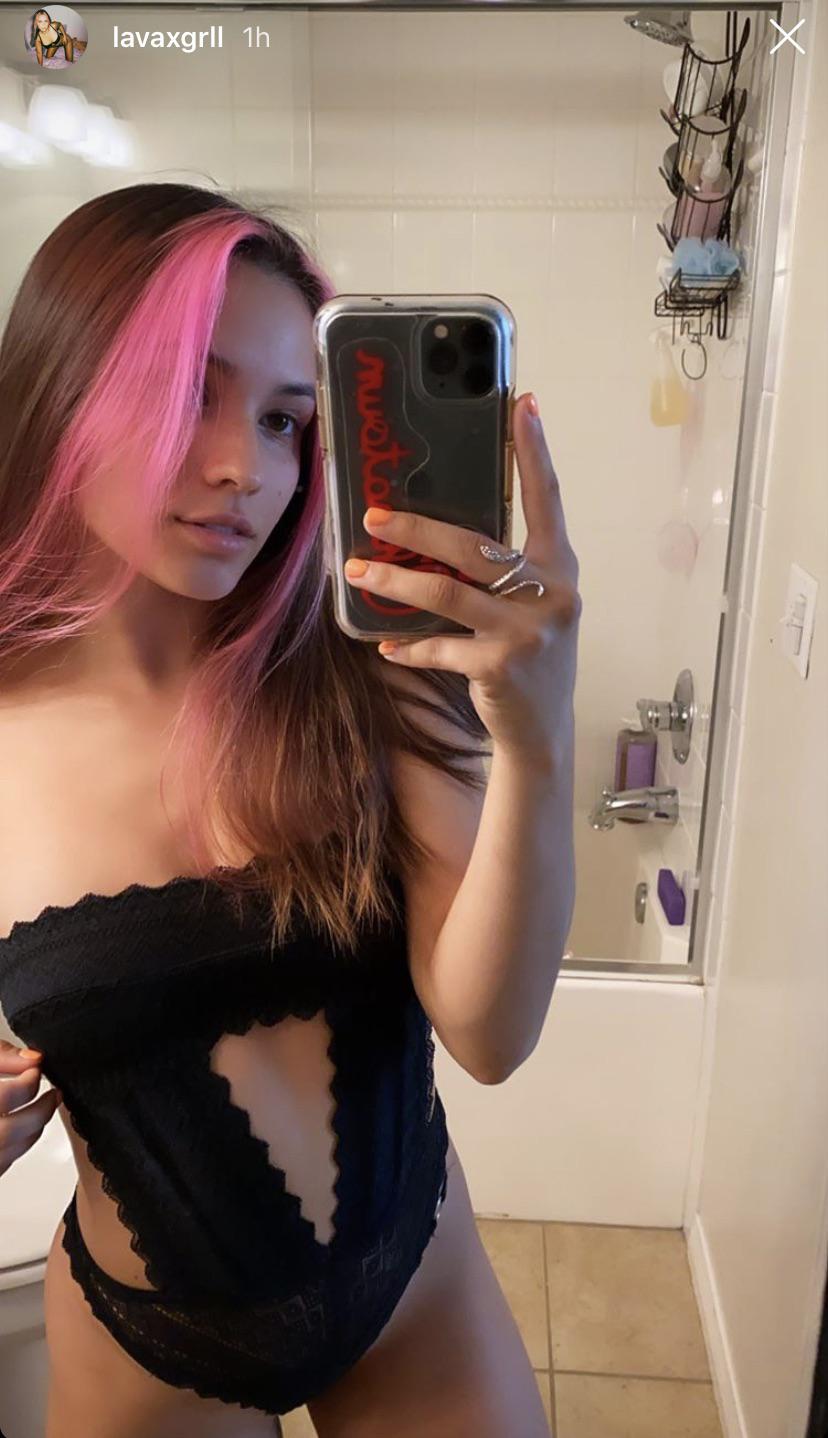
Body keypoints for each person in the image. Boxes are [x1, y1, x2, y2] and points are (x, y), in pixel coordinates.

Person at [0, 182, 579, 1437]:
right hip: (145, 1357)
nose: (244, 469)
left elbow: (490, 1033)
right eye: (188, 394)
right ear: (58, 390)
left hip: (416, 1289)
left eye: (283, 420)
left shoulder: (364, 673)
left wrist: (537, 738)